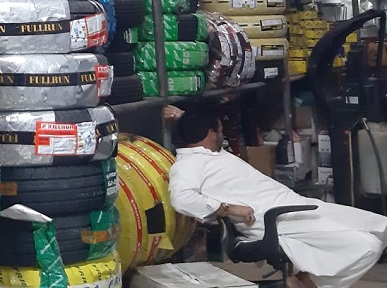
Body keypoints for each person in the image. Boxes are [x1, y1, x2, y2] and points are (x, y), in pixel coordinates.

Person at [163, 103, 387, 288]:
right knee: (367, 246)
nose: (223, 134)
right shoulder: (189, 164)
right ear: (211, 134)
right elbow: (181, 198)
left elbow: (199, 131)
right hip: (277, 219)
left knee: (382, 227)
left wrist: (184, 118)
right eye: (220, 130)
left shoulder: (212, 152)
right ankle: (307, 284)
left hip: (297, 206)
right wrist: (227, 209)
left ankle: (303, 282)